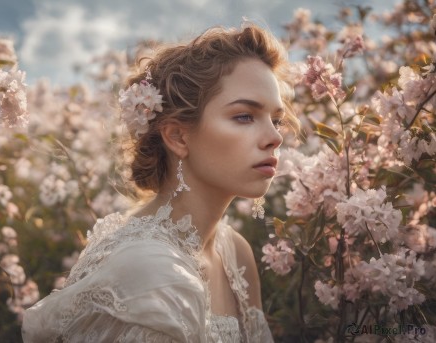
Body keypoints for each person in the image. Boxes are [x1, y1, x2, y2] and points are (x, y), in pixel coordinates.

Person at [22, 23, 299, 342]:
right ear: (178, 136)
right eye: (244, 116)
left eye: (276, 120)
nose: (275, 137)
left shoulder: (236, 252)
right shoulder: (150, 271)